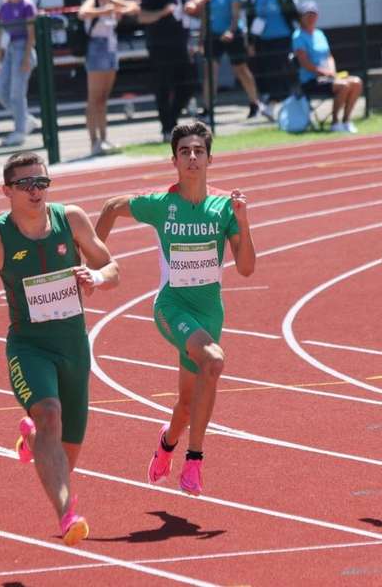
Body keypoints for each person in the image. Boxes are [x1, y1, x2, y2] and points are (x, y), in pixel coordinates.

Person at [0, 151, 119, 545]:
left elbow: (112, 267)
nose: (34, 190)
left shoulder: (71, 219)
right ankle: (67, 515)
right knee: (49, 413)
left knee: (66, 452)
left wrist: (96, 275)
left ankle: (30, 437)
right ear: (6, 191)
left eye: (41, 182)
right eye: (25, 184)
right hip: (29, 348)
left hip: (74, 348)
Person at [95, 122, 255, 496]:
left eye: (199, 151)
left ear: (210, 158)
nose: (193, 158)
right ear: (174, 161)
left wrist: (244, 223)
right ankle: (194, 463)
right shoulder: (162, 204)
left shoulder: (224, 208)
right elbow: (111, 207)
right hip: (171, 307)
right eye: (185, 152)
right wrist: (95, 261)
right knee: (214, 361)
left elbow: (246, 268)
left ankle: (166, 446)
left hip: (210, 312)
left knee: (186, 404)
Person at [138, 0, 212, 143]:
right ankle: (167, 127)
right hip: (160, 45)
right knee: (163, 87)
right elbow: (142, 17)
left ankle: (172, 119)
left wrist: (195, 2)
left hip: (181, 44)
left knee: (189, 84)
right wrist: (162, 12)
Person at [78, 0, 139, 156]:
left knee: (103, 98)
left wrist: (121, 10)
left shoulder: (113, 0)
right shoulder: (94, 0)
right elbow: (83, 12)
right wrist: (103, 11)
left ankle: (103, 139)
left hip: (111, 47)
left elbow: (134, 7)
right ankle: (94, 141)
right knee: (94, 98)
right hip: (97, 48)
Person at [199, 0, 271, 122]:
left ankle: (254, 103)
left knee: (241, 69)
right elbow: (204, 16)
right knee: (209, 71)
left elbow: (236, 15)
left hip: (233, 34)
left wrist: (230, 31)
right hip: (213, 36)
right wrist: (201, 40)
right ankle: (207, 109)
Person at [291, 0, 362, 134]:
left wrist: (332, 71)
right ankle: (335, 122)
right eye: (308, 15)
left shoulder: (319, 34)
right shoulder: (298, 37)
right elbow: (304, 63)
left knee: (357, 82)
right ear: (301, 17)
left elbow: (329, 56)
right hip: (311, 81)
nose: (311, 18)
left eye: (313, 14)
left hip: (328, 78)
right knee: (344, 86)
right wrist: (324, 73)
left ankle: (346, 121)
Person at [0, 0, 40, 147]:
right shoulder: (4, 6)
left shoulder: (27, 5)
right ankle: (26, 120)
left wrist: (27, 58)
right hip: (9, 51)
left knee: (17, 93)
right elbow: (2, 31)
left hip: (23, 51)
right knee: (0, 92)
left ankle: (20, 131)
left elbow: (31, 35)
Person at [246, 0, 297, 105]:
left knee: (282, 67)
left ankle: (286, 97)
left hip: (283, 38)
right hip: (263, 39)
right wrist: (250, 43)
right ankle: (273, 97)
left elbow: (293, 13)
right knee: (268, 68)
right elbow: (250, 20)